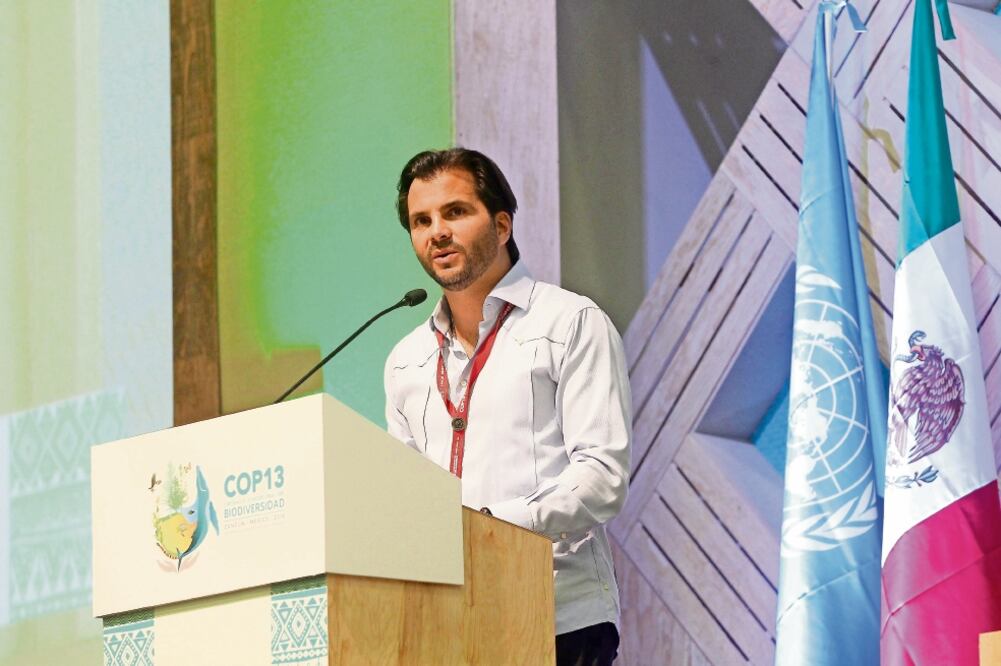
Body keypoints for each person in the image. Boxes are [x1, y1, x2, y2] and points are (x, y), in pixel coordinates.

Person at [383, 148, 631, 666]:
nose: (437, 233)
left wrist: (493, 527)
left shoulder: (570, 324)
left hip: (558, 616)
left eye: (455, 212)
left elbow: (602, 477)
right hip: (449, 625)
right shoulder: (406, 361)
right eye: (421, 221)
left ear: (501, 224)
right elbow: (406, 501)